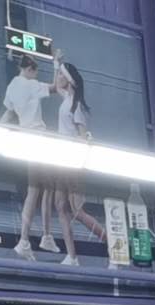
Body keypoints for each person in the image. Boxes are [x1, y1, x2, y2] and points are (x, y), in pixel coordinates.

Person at [50, 60, 112, 268]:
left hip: (72, 162)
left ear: (69, 80)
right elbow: (56, 86)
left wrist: (78, 160)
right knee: (60, 206)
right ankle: (72, 256)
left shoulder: (76, 106)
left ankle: (113, 247)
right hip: (61, 161)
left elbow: (83, 137)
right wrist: (56, 64)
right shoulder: (67, 99)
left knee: (77, 210)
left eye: (62, 75)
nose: (59, 78)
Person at [0, 54, 56, 260]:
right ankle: (29, 240)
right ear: (30, 69)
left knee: (42, 187)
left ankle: (40, 237)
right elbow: (56, 87)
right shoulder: (32, 85)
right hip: (37, 138)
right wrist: (57, 64)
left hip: (26, 138)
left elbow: (9, 113)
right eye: (36, 71)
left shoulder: (12, 86)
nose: (36, 75)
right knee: (40, 189)